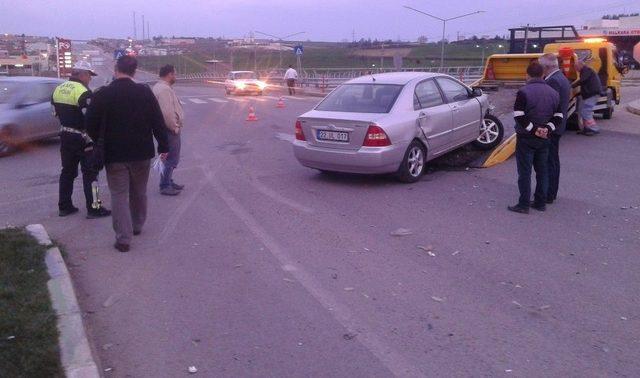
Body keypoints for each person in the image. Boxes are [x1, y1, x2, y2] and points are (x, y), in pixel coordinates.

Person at [86, 56, 169, 252]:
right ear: (135, 71)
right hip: (142, 152)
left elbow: (89, 122)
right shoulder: (144, 92)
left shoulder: (104, 94)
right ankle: (137, 225)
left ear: (116, 69)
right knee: (139, 191)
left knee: (118, 194)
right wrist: (163, 146)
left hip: (114, 154)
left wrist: (99, 138)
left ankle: (124, 238)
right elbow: (158, 121)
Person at [52, 60, 111, 219]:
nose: (90, 79)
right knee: (91, 174)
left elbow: (55, 113)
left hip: (65, 135)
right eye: (89, 75)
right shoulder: (84, 92)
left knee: (67, 172)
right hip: (83, 138)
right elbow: (90, 118)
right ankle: (94, 208)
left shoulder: (58, 89)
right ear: (83, 74)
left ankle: (64, 206)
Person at [508, 61, 563, 214]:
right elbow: (559, 116)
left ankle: (523, 204)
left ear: (528, 75)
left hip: (526, 138)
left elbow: (519, 115)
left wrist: (534, 130)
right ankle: (540, 202)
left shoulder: (523, 92)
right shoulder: (554, 93)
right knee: (542, 171)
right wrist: (546, 129)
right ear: (543, 74)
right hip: (545, 139)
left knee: (525, 172)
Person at [539, 53, 571, 204]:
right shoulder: (562, 78)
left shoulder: (552, 81)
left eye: (541, 67)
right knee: (553, 160)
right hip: (558, 125)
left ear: (546, 67)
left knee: (548, 161)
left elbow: (548, 106)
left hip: (551, 127)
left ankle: (547, 194)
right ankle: (552, 192)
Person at [152, 65, 184, 196]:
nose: (175, 77)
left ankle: (168, 181)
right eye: (174, 74)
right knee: (171, 158)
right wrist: (174, 127)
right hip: (169, 130)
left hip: (164, 129)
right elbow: (167, 113)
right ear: (169, 74)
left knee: (167, 157)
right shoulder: (164, 89)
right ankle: (165, 185)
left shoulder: (159, 87)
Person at [573, 58, 602, 136]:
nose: (576, 69)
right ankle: (586, 129)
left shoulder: (587, 70)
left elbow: (582, 81)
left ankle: (594, 128)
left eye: (576, 67)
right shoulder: (585, 71)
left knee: (586, 111)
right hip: (590, 94)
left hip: (592, 94)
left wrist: (571, 86)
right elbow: (584, 83)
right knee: (583, 111)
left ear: (581, 65)